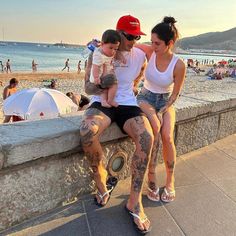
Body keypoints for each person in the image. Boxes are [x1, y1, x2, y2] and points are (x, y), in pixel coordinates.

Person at [79, 15, 153, 234]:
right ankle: (102, 183)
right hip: (102, 102)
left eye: (136, 36)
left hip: (127, 104)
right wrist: (103, 84)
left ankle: (134, 201)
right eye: (129, 36)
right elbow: (88, 89)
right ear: (118, 34)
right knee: (86, 131)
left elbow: (142, 70)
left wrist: (135, 86)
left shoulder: (139, 55)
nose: (132, 41)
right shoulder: (98, 55)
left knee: (146, 138)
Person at [136, 17, 186, 203]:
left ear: (169, 43)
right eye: (151, 41)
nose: (152, 45)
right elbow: (127, 45)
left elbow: (175, 95)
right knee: (155, 128)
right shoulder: (150, 52)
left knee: (167, 136)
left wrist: (164, 108)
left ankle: (170, 180)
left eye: (157, 43)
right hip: (145, 98)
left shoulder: (179, 65)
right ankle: (151, 177)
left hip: (166, 101)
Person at [89, 29, 121, 108]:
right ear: (102, 44)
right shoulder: (98, 55)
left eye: (116, 49)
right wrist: (96, 78)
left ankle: (104, 102)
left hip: (102, 76)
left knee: (105, 88)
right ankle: (110, 100)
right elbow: (95, 66)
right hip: (97, 77)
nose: (113, 51)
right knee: (114, 84)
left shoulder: (106, 51)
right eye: (111, 48)